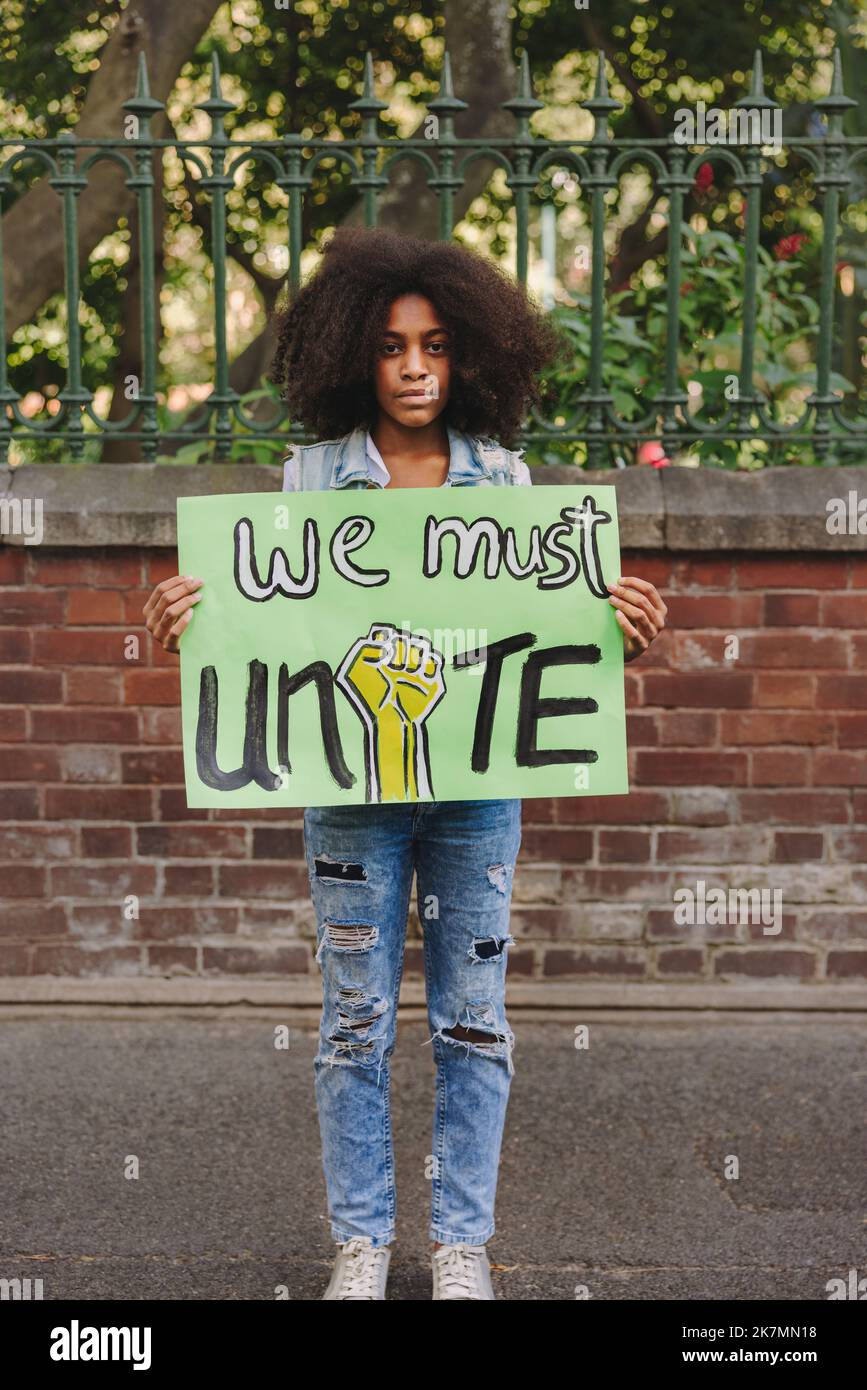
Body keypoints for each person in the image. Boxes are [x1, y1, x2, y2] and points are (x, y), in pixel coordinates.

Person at [143, 226, 667, 1299]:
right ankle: (362, 1242)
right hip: (350, 794)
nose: (416, 367)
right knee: (352, 1023)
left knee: (473, 1017)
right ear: (355, 355)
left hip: (477, 791)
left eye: (434, 344)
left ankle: (462, 1243)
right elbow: (263, 620)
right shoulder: (308, 481)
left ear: (471, 351)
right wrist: (181, 618)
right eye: (390, 346)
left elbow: (544, 619)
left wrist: (616, 620)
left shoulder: (509, 479)